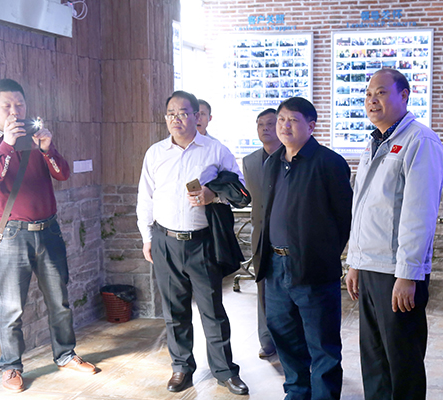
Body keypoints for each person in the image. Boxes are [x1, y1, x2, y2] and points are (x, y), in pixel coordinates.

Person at [0, 78, 97, 393]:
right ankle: (11, 367)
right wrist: (6, 145)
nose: (15, 111)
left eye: (20, 104)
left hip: (49, 230)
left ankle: (65, 355)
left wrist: (48, 149)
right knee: (11, 307)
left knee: (60, 301)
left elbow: (62, 173)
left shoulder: (36, 138)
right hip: (11, 235)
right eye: (7, 106)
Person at [136, 90, 248, 395]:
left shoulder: (214, 150)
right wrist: (147, 237)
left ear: (196, 116)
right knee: (175, 312)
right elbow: (145, 198)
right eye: (171, 114)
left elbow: (239, 188)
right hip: (165, 241)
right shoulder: (155, 153)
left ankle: (225, 371)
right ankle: (181, 368)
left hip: (202, 243)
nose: (176, 119)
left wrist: (214, 194)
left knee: (212, 311)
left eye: (183, 113)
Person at [344, 68, 443, 400]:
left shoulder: (420, 141)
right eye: (368, 94)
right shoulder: (374, 142)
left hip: (396, 272)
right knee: (374, 359)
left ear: (404, 95)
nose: (372, 100)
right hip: (370, 266)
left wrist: (407, 275)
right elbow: (363, 207)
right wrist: (355, 262)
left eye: (381, 92)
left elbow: (419, 213)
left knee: (402, 361)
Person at [256, 97, 352, 399]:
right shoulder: (272, 162)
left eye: (293, 120)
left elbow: (344, 218)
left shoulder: (329, 163)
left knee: (322, 344)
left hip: (312, 267)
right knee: (285, 337)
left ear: (311, 126)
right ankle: (297, 392)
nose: (285, 126)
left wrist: (321, 253)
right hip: (275, 266)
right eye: (281, 119)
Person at [242, 108, 280, 359]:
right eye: (260, 124)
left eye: (270, 123)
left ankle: (290, 341)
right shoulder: (249, 161)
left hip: (287, 236)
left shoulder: (291, 156)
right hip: (260, 236)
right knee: (263, 289)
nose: (264, 128)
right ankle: (266, 341)